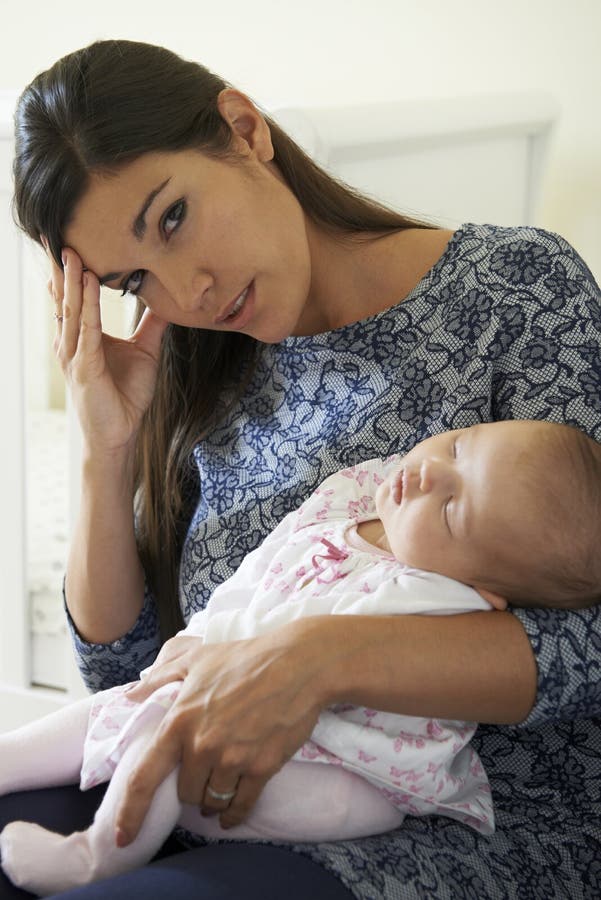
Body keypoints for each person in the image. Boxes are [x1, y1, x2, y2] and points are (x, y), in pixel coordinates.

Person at [4, 36, 600, 900]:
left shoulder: (515, 288)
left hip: (463, 827)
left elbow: (589, 637)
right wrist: (107, 449)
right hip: (197, 784)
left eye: (172, 218)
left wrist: (316, 657)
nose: (188, 290)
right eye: (135, 279)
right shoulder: (195, 361)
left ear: (244, 130)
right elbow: (121, 676)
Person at [2, 418, 600, 896]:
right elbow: (255, 573)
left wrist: (214, 655)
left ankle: (96, 857)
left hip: (343, 768)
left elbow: (292, 636)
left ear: (486, 591)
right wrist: (199, 634)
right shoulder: (351, 498)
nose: (429, 475)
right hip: (225, 693)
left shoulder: (442, 596)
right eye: (460, 448)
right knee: (123, 702)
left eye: (450, 510)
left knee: (172, 725)